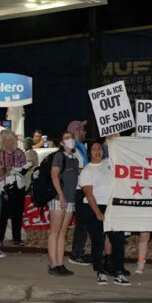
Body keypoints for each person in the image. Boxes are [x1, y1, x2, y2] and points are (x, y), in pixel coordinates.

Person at [78, 140, 130, 286]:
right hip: (94, 207)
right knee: (98, 241)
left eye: (99, 148)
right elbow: (89, 195)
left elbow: (114, 142)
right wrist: (98, 213)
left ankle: (119, 271)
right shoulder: (87, 171)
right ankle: (100, 271)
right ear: (89, 153)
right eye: (94, 149)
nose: (97, 151)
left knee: (118, 241)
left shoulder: (108, 163)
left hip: (112, 206)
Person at [49, 132, 80, 276]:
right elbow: (54, 175)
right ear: (61, 143)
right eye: (67, 138)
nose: (70, 140)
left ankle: (60, 263)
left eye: (71, 138)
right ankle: (53, 264)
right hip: (58, 198)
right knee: (55, 232)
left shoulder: (74, 159)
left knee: (63, 232)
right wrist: (60, 195)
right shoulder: (59, 156)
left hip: (70, 199)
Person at [0, 129, 28, 246]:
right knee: (2, 214)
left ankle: (17, 239)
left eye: (11, 140)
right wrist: (7, 169)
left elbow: (24, 169)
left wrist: (15, 169)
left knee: (17, 213)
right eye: (6, 140)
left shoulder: (19, 153)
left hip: (18, 186)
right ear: (2, 141)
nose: (8, 143)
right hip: (3, 187)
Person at [67, 120, 91, 267]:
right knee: (82, 223)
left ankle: (79, 252)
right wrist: (89, 171)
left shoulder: (81, 147)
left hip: (82, 188)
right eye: (82, 129)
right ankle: (76, 254)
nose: (85, 132)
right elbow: (73, 168)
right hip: (77, 189)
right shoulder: (73, 147)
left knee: (84, 223)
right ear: (76, 130)